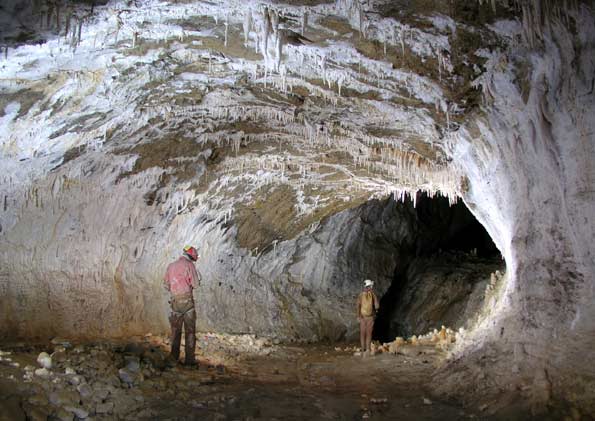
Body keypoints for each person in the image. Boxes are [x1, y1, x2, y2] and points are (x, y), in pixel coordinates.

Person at [164, 245, 201, 366]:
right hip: (187, 303)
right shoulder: (190, 266)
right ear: (191, 256)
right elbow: (195, 284)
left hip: (175, 303)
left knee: (175, 331)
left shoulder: (171, 266)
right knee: (190, 332)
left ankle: (174, 357)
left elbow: (166, 285)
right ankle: (189, 360)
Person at [356, 279, 380, 356]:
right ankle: (363, 350)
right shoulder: (361, 295)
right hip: (363, 317)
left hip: (370, 318)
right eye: (370, 286)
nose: (371, 288)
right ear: (368, 286)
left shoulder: (372, 295)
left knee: (369, 334)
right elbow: (358, 306)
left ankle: (368, 350)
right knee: (363, 333)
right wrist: (358, 316)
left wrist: (374, 296)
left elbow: (377, 306)